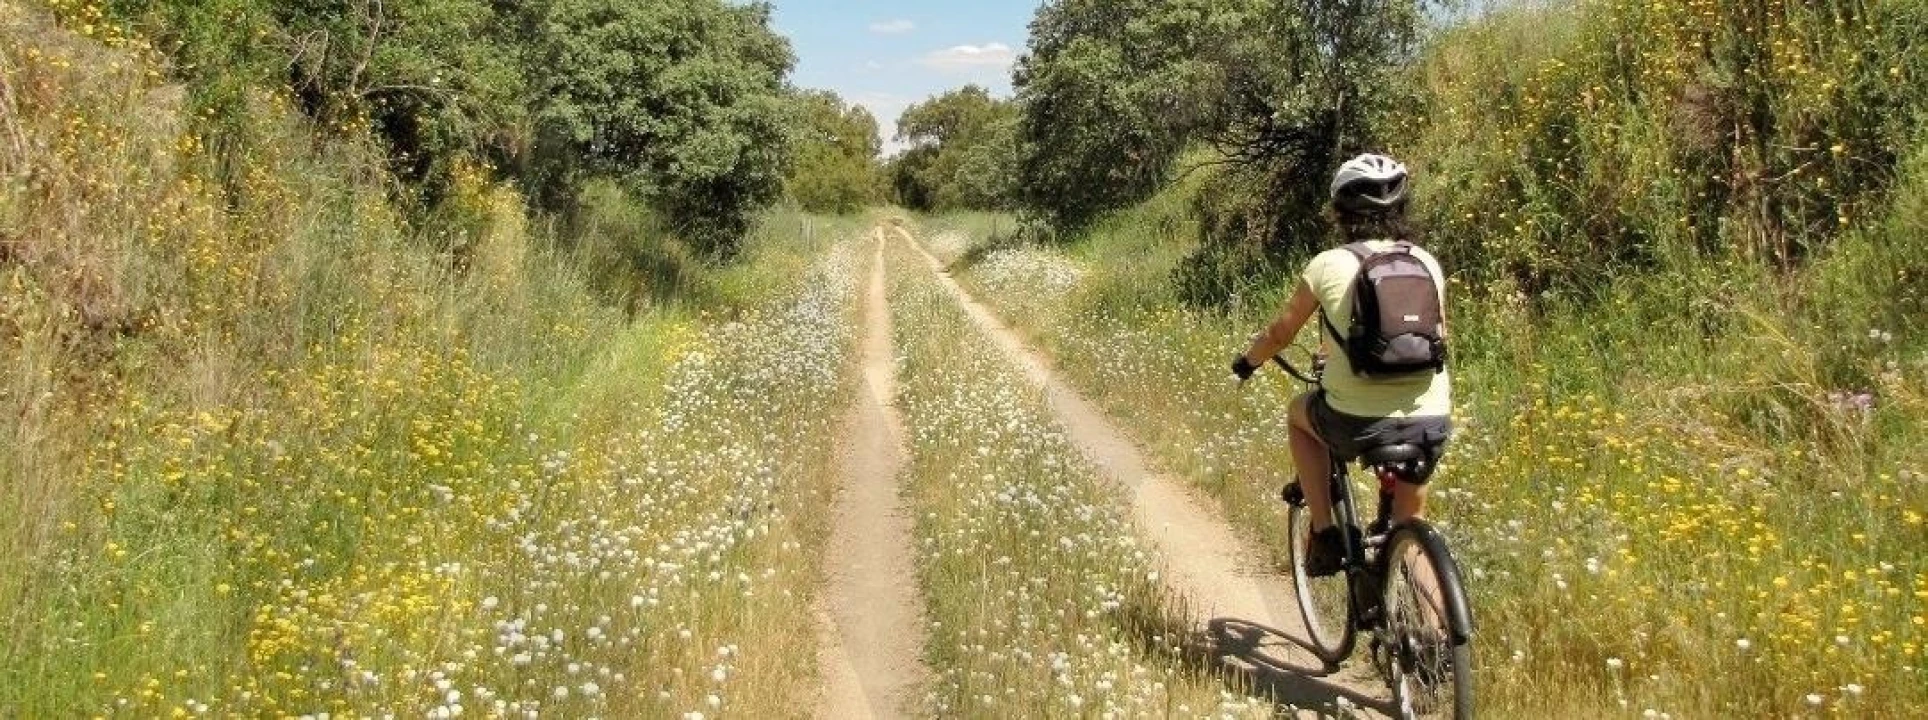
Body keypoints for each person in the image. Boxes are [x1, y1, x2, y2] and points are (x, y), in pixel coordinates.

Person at [1230, 153, 1453, 577]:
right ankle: (1440, 636)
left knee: (1299, 415)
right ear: (1401, 209)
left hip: (1355, 421)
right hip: (1429, 420)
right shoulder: (1427, 264)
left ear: (1340, 212)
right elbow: (1439, 340)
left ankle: (1326, 530)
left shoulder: (1328, 265)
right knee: (1410, 530)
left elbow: (1280, 334)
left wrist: (1247, 363)